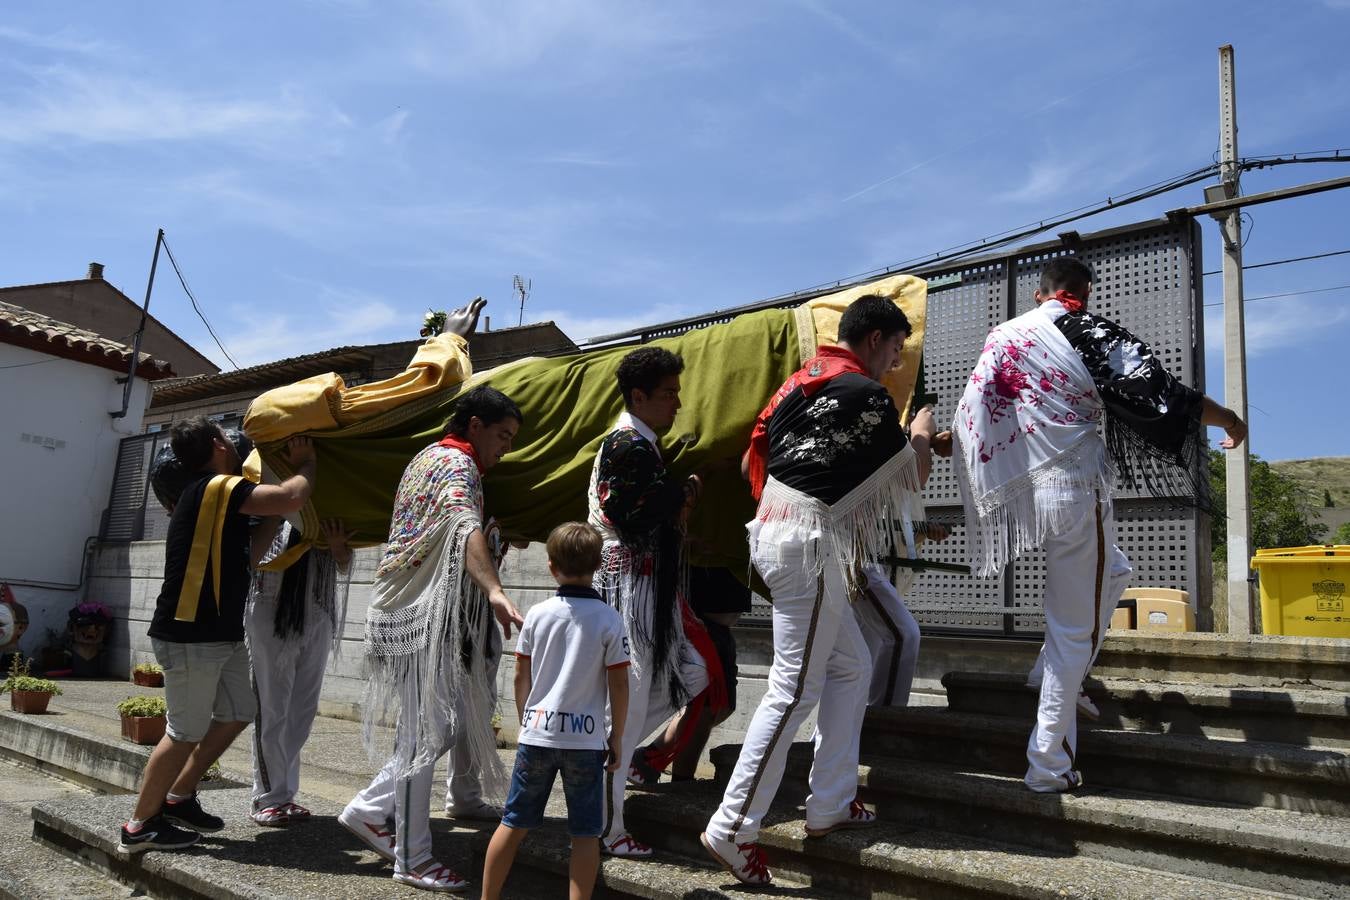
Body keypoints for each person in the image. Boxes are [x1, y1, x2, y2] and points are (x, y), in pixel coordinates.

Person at [949, 256, 1246, 793]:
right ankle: (1049, 766)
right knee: (1073, 630)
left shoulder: (1004, 336)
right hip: (1074, 486)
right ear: (1081, 293)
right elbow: (1162, 393)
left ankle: (1050, 673)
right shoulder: (1084, 326)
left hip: (1030, 487)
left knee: (1116, 571)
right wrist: (1228, 418)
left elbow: (975, 407)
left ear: (1040, 293)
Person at [703, 294, 933, 885]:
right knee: (792, 689)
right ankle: (731, 826)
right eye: (896, 348)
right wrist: (924, 436)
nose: (895, 361)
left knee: (852, 664)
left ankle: (829, 801)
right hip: (810, 543)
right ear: (878, 338)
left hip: (782, 532)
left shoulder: (798, 386)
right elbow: (909, 477)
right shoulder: (864, 393)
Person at [340, 386, 525, 893]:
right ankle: (411, 857)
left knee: (440, 726)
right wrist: (493, 589)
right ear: (474, 427)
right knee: (425, 734)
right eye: (503, 436)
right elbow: (462, 525)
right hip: (423, 616)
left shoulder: (426, 457)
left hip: (413, 612)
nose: (506, 447)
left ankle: (373, 809)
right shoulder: (456, 465)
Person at [118, 418, 317, 853]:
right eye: (229, 438)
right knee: (183, 731)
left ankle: (179, 795)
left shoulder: (216, 498)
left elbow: (256, 548)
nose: (237, 443)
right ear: (217, 445)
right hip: (192, 635)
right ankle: (139, 826)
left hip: (217, 633)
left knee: (239, 710)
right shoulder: (216, 486)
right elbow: (290, 496)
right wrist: (304, 463)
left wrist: (284, 502)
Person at [588, 346, 718, 859]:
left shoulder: (638, 445)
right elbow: (627, 513)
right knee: (633, 699)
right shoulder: (628, 445)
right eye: (668, 394)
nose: (677, 404)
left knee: (691, 674)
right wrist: (684, 489)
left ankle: (598, 757)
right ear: (638, 396)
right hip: (630, 595)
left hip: (643, 592)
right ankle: (608, 825)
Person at [480, 522, 630, 900]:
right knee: (584, 834)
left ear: (550, 566)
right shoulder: (609, 619)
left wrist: (526, 720)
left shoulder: (537, 614)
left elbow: (520, 676)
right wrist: (617, 736)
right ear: (597, 565)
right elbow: (620, 683)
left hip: (537, 735)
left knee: (513, 823)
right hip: (585, 742)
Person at [245, 514, 352, 826]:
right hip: (270, 609)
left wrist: (337, 547)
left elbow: (344, 563)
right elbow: (251, 554)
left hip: (317, 613)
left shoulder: (330, 507)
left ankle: (284, 793)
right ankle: (266, 797)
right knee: (272, 708)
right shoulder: (269, 504)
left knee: (301, 713)